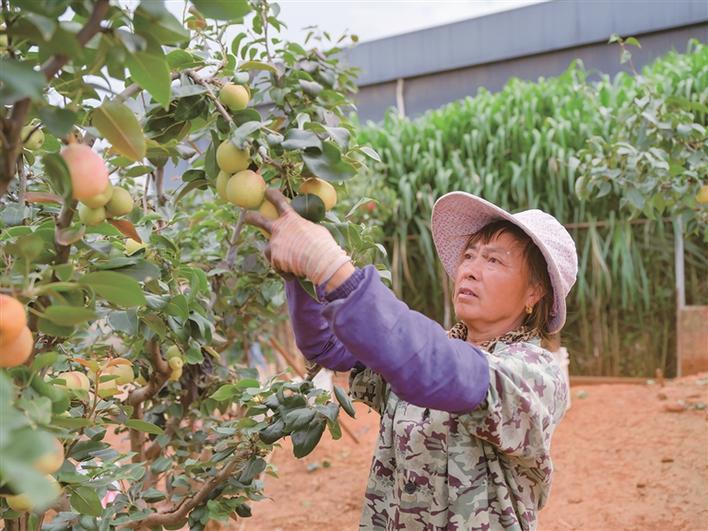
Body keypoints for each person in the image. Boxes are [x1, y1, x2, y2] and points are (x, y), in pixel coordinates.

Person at [245, 189, 578, 531]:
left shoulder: (536, 374)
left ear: (534, 292)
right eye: (469, 256)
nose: (470, 271)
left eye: (493, 260)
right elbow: (328, 345)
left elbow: (443, 372)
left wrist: (331, 267)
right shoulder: (419, 348)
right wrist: (302, 275)